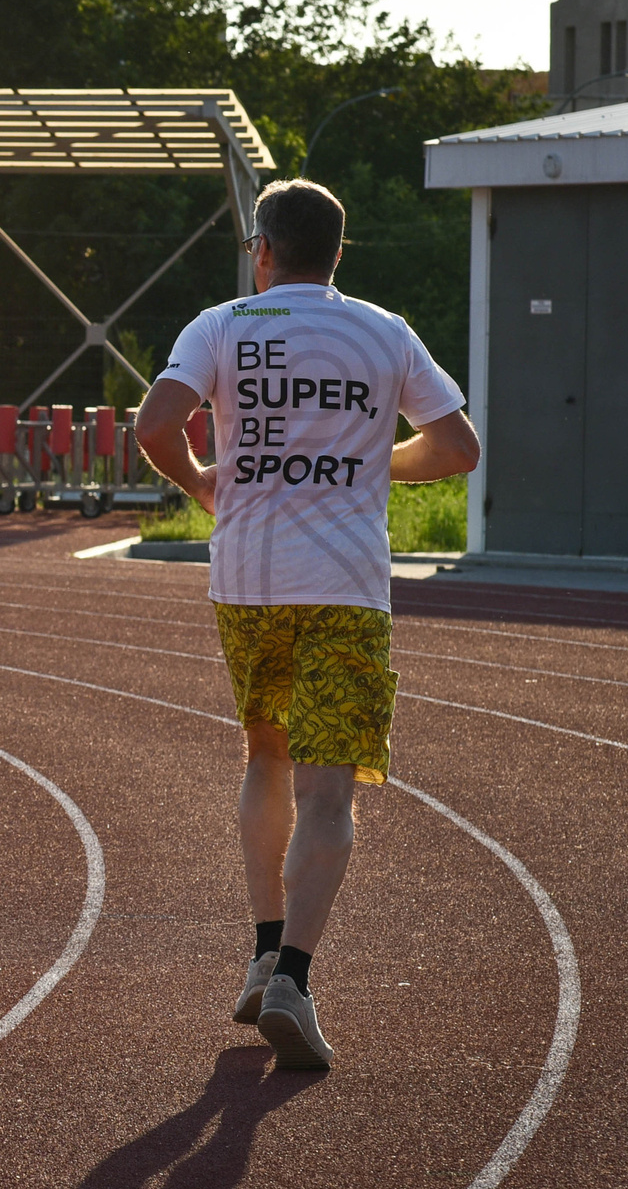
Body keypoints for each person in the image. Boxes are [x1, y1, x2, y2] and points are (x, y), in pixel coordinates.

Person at [133, 179, 479, 1071]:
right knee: (331, 793)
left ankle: (261, 949)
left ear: (262, 249)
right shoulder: (383, 331)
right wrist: (374, 463)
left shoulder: (220, 326)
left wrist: (205, 482)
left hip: (247, 581)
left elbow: (156, 423)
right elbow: (457, 447)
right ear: (337, 251)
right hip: (346, 586)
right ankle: (293, 973)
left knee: (264, 758)